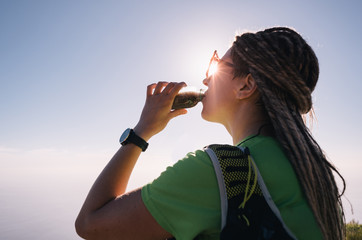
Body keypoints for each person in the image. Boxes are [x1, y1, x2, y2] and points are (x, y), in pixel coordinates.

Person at [75, 27, 345, 239]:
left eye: (216, 67)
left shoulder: (217, 172)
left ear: (246, 85)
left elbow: (90, 224)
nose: (205, 79)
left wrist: (141, 131)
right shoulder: (309, 167)